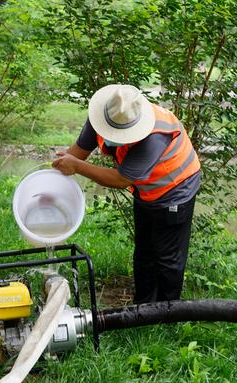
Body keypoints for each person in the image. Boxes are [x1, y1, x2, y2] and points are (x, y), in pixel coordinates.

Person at [52, 84, 200, 303]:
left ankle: (168, 314)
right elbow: (76, 154)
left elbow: (121, 179)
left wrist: (77, 167)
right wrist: (50, 185)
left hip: (175, 191)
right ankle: (142, 309)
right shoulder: (104, 115)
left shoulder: (154, 136)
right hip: (146, 191)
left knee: (168, 259)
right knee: (144, 252)